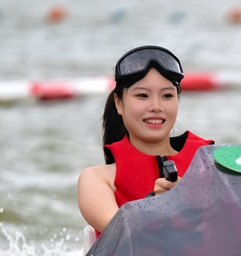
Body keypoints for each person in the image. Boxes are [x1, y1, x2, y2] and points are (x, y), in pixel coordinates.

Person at [78, 45, 213, 234]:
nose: (156, 106)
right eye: (142, 95)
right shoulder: (97, 179)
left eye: (167, 95)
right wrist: (154, 206)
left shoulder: (209, 165)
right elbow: (119, 234)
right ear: (119, 103)